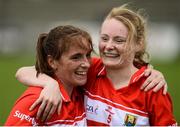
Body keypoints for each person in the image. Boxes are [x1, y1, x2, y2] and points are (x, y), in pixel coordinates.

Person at [15, 5, 177, 126]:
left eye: (119, 40)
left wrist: (154, 72)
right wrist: (50, 84)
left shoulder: (152, 88)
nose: (109, 46)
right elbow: (23, 72)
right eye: (104, 38)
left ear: (139, 44)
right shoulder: (90, 69)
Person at [5, 25, 93, 126]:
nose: (86, 64)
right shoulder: (36, 100)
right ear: (52, 62)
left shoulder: (80, 92)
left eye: (88, 55)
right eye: (76, 57)